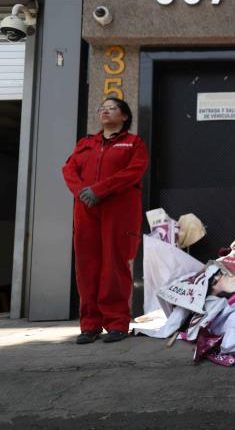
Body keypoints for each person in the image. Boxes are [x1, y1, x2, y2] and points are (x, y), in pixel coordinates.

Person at [62, 98, 149, 344]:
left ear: (124, 116)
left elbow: (133, 172)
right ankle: (90, 325)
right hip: (86, 209)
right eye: (102, 108)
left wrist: (100, 189)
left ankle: (117, 323)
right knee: (87, 267)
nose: (105, 111)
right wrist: (82, 192)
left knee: (115, 265)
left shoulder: (134, 143)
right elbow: (69, 170)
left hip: (118, 210)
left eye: (111, 108)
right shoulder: (86, 143)